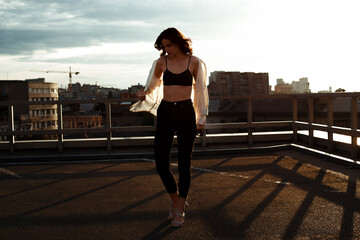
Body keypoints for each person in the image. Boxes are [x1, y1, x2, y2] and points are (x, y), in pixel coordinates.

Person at [130, 27, 208, 228]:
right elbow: (153, 84)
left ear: (178, 42)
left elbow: (200, 90)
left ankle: (180, 208)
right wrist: (144, 92)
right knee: (161, 163)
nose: (166, 49)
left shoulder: (195, 62)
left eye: (169, 45)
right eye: (163, 46)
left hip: (186, 113)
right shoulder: (161, 62)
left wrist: (203, 114)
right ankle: (175, 199)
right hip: (166, 112)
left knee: (184, 164)